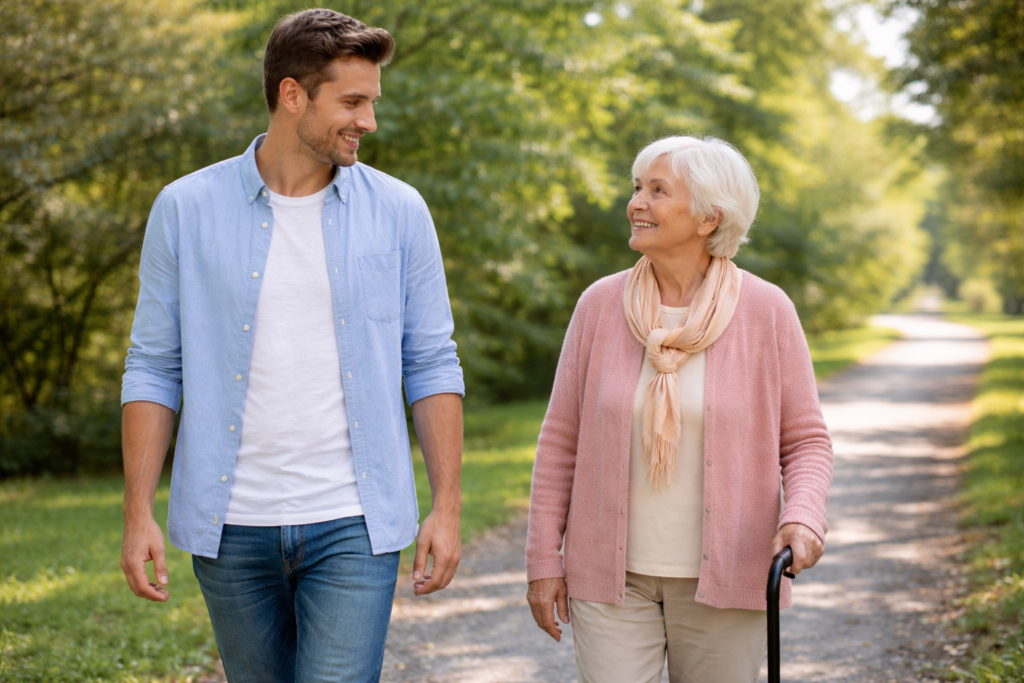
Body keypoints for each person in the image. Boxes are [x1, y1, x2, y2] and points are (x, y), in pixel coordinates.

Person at [119, 10, 465, 682]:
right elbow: (155, 367)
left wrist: (446, 506)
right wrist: (138, 514)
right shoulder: (184, 208)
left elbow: (431, 361)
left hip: (354, 522)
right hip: (229, 526)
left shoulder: (400, 211)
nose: (369, 120)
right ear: (292, 94)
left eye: (372, 102)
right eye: (353, 102)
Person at [525, 135, 834, 682]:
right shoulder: (599, 305)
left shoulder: (766, 311)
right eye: (637, 187)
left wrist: (803, 516)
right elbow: (560, 443)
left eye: (658, 190)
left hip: (730, 578)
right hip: (611, 580)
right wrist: (544, 561)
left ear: (709, 218)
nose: (636, 202)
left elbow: (805, 440)